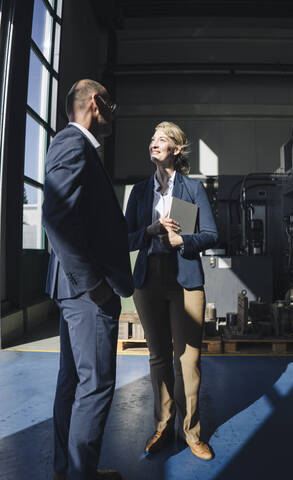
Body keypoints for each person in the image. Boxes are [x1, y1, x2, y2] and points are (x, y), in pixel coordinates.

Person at [42, 79, 134, 480]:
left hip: (73, 289)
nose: (114, 114)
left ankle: (73, 472)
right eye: (110, 105)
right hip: (86, 292)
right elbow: (56, 217)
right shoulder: (74, 143)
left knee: (73, 382)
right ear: (96, 103)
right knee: (94, 387)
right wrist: (94, 286)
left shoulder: (76, 147)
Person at [125, 121, 218, 460]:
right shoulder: (138, 191)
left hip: (185, 279)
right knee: (158, 357)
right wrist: (149, 231)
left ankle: (191, 432)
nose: (154, 142)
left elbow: (211, 234)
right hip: (148, 279)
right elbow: (125, 238)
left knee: (189, 360)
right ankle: (163, 425)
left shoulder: (193, 189)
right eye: (152, 138)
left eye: (162, 139)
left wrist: (184, 240)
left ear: (177, 149)